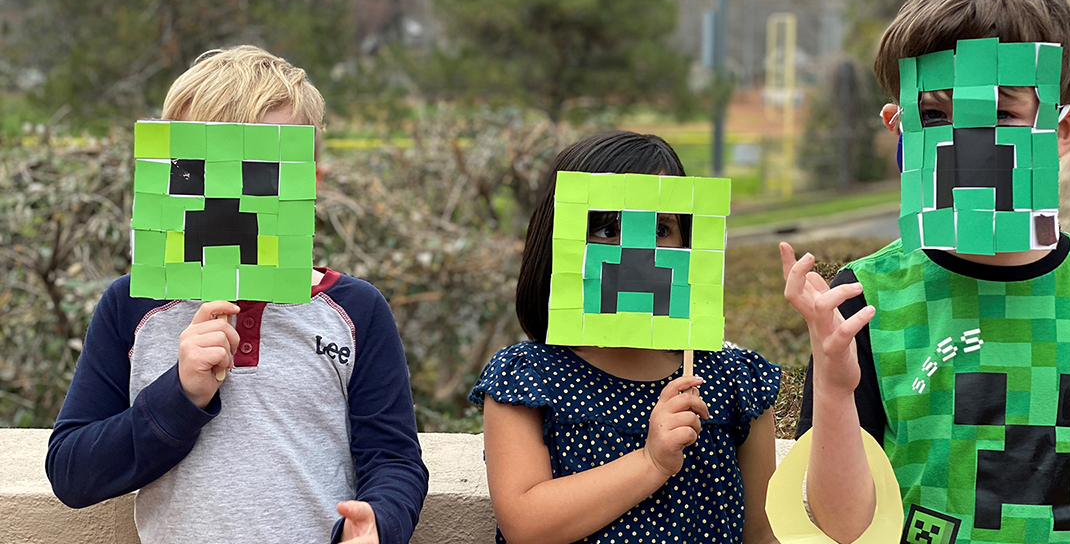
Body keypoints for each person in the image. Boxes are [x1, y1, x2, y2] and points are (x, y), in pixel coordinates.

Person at [784, 0, 1070, 544]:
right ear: (902, 130)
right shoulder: (863, 299)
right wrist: (833, 382)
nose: (967, 145)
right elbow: (844, 526)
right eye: (934, 115)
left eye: (999, 113)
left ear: (1064, 130)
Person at [45, 46, 428, 544]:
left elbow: (394, 458)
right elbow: (72, 472)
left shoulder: (355, 311)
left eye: (263, 173)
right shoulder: (131, 306)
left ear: (309, 181)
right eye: (197, 171)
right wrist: (179, 394)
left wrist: (382, 520)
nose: (229, 199)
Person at [470, 131, 781, 544]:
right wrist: (651, 461)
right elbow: (526, 523)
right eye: (606, 228)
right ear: (558, 240)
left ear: (690, 244)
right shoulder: (527, 378)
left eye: (661, 228)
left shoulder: (735, 382)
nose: (635, 254)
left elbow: (761, 533)